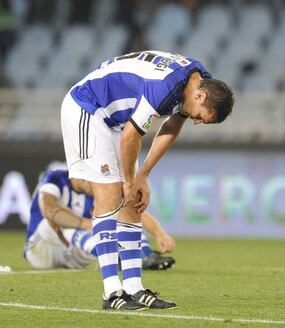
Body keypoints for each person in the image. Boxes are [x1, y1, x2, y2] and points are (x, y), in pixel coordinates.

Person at [60, 50, 234, 310]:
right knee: (111, 194)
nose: (196, 122)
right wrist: (130, 182)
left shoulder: (197, 80)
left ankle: (134, 288)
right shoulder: (164, 87)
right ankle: (111, 293)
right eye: (200, 116)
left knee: (134, 203)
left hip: (115, 121)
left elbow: (171, 127)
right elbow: (131, 136)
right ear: (201, 95)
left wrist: (142, 177)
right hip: (87, 108)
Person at [24, 169, 176, 271]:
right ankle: (115, 259)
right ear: (81, 175)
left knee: (121, 218)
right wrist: (86, 224)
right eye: (95, 180)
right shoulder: (56, 178)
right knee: (53, 222)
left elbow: (130, 210)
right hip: (44, 249)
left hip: (77, 251)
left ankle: (146, 255)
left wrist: (160, 233)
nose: (99, 185)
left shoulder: (95, 192)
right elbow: (49, 209)